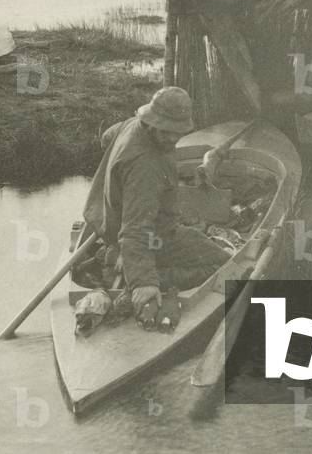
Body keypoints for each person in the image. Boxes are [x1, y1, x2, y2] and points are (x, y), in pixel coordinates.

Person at [82, 86, 230, 331]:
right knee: (226, 265)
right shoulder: (146, 168)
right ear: (152, 123)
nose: (173, 139)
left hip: (104, 219)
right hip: (150, 237)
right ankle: (148, 277)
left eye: (178, 132)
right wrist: (143, 282)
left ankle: (114, 254)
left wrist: (121, 177)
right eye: (167, 132)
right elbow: (136, 229)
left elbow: (106, 138)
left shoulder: (130, 125)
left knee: (186, 236)